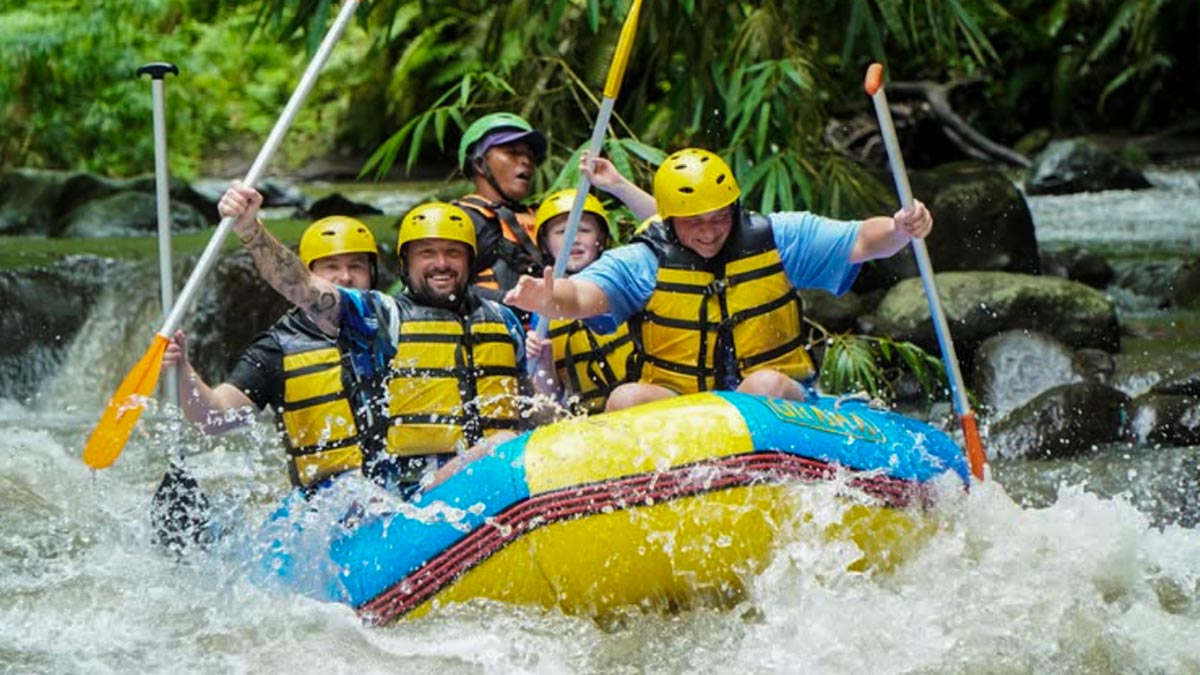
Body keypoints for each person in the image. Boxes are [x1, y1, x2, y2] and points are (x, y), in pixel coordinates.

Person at [505, 147, 934, 412]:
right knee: (626, 399)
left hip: (779, 397)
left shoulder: (777, 237)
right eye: (694, 223)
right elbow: (581, 295)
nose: (708, 232)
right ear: (670, 220)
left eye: (718, 218)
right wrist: (548, 299)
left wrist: (898, 229)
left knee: (761, 385)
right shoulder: (644, 260)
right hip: (683, 402)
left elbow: (860, 240)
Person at [221, 184, 531, 494]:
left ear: (470, 260)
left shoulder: (503, 319)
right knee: (500, 444)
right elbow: (303, 287)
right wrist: (250, 229)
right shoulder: (382, 317)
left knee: (506, 443)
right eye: (427, 253)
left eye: (453, 253)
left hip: (495, 482)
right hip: (417, 495)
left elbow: (530, 404)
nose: (441, 263)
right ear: (406, 263)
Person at [161, 216, 378, 489]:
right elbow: (214, 418)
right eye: (331, 267)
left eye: (356, 266)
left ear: (372, 273)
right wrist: (182, 370)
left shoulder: (391, 323)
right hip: (331, 501)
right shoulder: (277, 349)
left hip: (399, 487)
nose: (345, 277)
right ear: (308, 274)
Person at [524, 189, 635, 414]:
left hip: (640, 404)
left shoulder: (627, 280)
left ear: (601, 239)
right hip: (588, 420)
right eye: (561, 232)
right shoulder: (543, 309)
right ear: (545, 245)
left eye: (583, 230)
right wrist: (542, 362)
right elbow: (550, 400)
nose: (573, 239)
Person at [452, 113, 548, 307]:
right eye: (512, 152)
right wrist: (508, 301)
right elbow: (443, 289)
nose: (525, 161)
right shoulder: (461, 221)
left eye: (529, 156)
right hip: (488, 331)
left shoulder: (545, 218)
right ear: (479, 164)